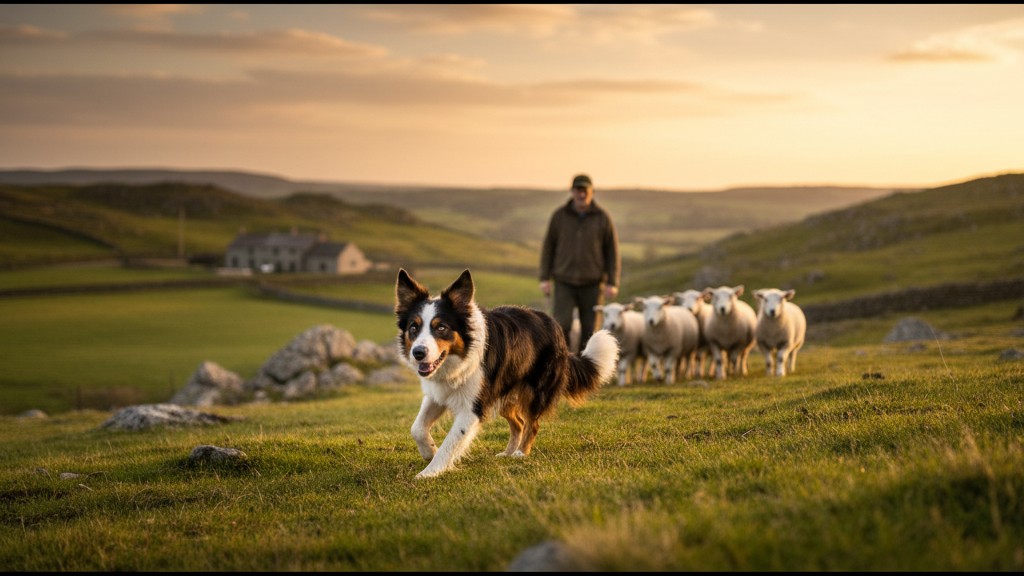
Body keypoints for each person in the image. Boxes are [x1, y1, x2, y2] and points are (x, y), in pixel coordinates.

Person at [539, 173, 620, 353]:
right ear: (572, 191)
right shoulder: (559, 216)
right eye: (578, 190)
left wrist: (612, 281)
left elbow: (612, 252)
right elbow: (548, 247)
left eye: (585, 190)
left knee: (590, 330)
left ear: (591, 192)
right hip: (564, 281)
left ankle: (587, 372)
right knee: (561, 325)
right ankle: (564, 368)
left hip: (592, 283)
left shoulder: (602, 217)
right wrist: (544, 278)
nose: (581, 194)